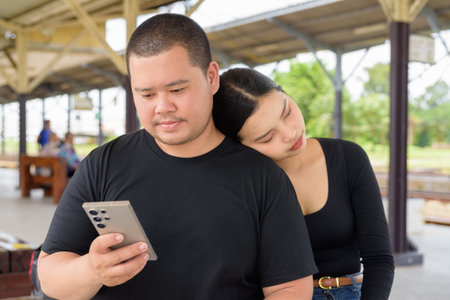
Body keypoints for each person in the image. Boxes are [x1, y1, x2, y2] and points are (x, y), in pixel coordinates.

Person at [37, 14, 317, 300]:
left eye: (177, 90)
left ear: (211, 77)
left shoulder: (263, 178)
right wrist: (92, 270)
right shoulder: (103, 164)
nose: (162, 107)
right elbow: (50, 276)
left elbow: (290, 288)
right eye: (146, 95)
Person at [212, 68, 395, 300]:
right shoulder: (243, 184)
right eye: (268, 137)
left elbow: (380, 260)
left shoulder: (349, 158)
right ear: (241, 145)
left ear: (285, 93)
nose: (290, 133)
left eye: (286, 112)